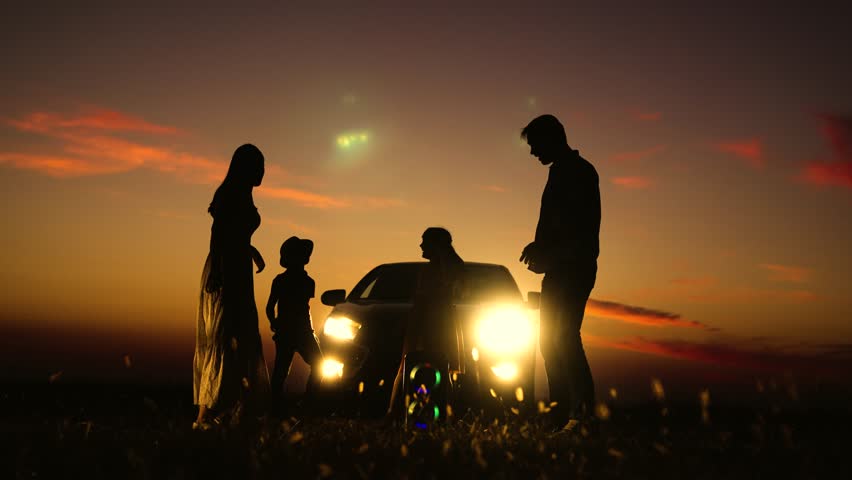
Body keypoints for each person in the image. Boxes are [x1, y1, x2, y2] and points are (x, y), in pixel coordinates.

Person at [518, 114, 600, 427]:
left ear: (553, 138)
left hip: (573, 268)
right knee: (550, 341)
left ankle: (580, 416)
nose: (532, 152)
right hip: (559, 267)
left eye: (536, 144)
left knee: (564, 337)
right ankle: (560, 413)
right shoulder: (561, 172)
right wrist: (539, 247)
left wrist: (546, 251)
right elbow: (559, 224)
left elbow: (578, 227)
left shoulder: (579, 171)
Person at [193, 144, 270, 429]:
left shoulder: (244, 195)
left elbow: (236, 232)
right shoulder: (228, 193)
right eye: (259, 167)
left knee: (241, 336)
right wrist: (218, 273)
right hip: (226, 268)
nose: (263, 173)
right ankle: (207, 412)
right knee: (223, 336)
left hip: (239, 266)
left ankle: (235, 407)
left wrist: (250, 250)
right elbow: (219, 233)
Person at [387, 227, 464, 417]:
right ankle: (414, 410)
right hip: (427, 322)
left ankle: (430, 411)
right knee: (420, 366)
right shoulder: (435, 268)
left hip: (435, 324)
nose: (420, 245)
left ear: (436, 244)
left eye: (424, 241)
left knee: (433, 366)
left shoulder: (449, 269)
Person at [266, 236, 323, 408]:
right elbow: (270, 307)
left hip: (298, 331)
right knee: (283, 369)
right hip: (295, 331)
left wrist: (274, 321)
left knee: (285, 369)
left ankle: (306, 401)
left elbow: (270, 307)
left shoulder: (300, 281)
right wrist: (273, 321)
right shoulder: (301, 282)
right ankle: (282, 403)